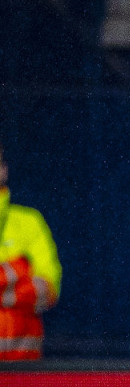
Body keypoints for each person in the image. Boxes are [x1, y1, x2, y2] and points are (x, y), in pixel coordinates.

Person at [0, 142, 61, 361]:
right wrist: (19, 270)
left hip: (24, 369)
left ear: (4, 169)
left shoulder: (30, 222)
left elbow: (49, 289)